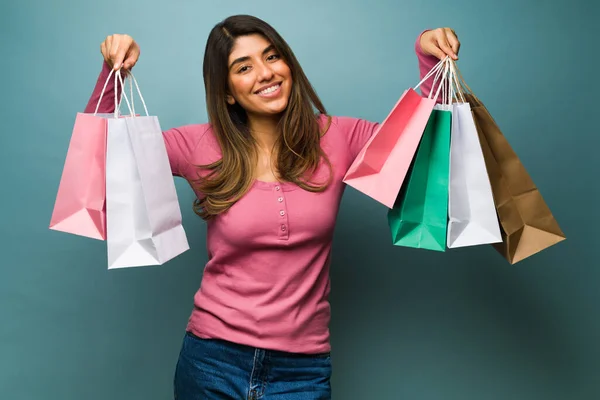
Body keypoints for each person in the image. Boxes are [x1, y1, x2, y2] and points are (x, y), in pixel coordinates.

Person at [85, 14, 460, 400]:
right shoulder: (197, 146)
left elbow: (428, 150)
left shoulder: (341, 137)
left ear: (288, 64)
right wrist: (111, 76)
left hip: (303, 370)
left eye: (272, 57)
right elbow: (101, 165)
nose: (265, 73)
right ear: (227, 91)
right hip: (211, 360)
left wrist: (429, 58)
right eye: (244, 67)